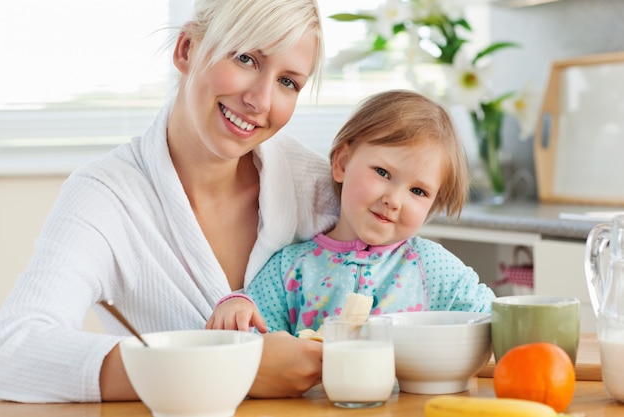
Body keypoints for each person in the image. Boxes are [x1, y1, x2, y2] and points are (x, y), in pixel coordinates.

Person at [0, 0, 340, 403]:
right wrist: (228, 370)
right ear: (187, 49)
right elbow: (13, 352)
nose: (261, 101)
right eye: (246, 58)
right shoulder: (107, 195)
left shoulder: (320, 190)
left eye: (288, 83)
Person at [211, 90, 495, 335]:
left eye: (418, 192)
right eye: (383, 172)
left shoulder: (432, 267)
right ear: (343, 164)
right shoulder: (291, 269)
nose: (394, 200)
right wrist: (237, 306)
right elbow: (258, 337)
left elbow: (493, 320)